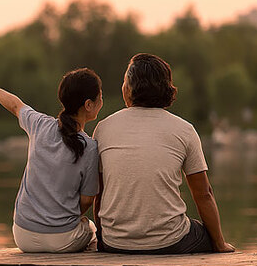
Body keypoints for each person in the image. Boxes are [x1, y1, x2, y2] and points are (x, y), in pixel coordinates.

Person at [92, 53, 235, 254]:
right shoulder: (184, 130)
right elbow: (203, 194)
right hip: (170, 241)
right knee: (205, 234)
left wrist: (103, 237)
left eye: (125, 82)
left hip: (115, 242)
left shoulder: (103, 128)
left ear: (130, 89)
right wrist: (219, 243)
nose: (123, 87)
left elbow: (99, 193)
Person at [0, 69, 103, 252]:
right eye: (100, 97)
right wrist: (61, 219)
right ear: (89, 104)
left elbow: (15, 105)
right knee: (91, 229)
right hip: (63, 240)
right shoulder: (89, 147)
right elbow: (87, 200)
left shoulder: (39, 125)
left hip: (22, 235)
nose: (102, 101)